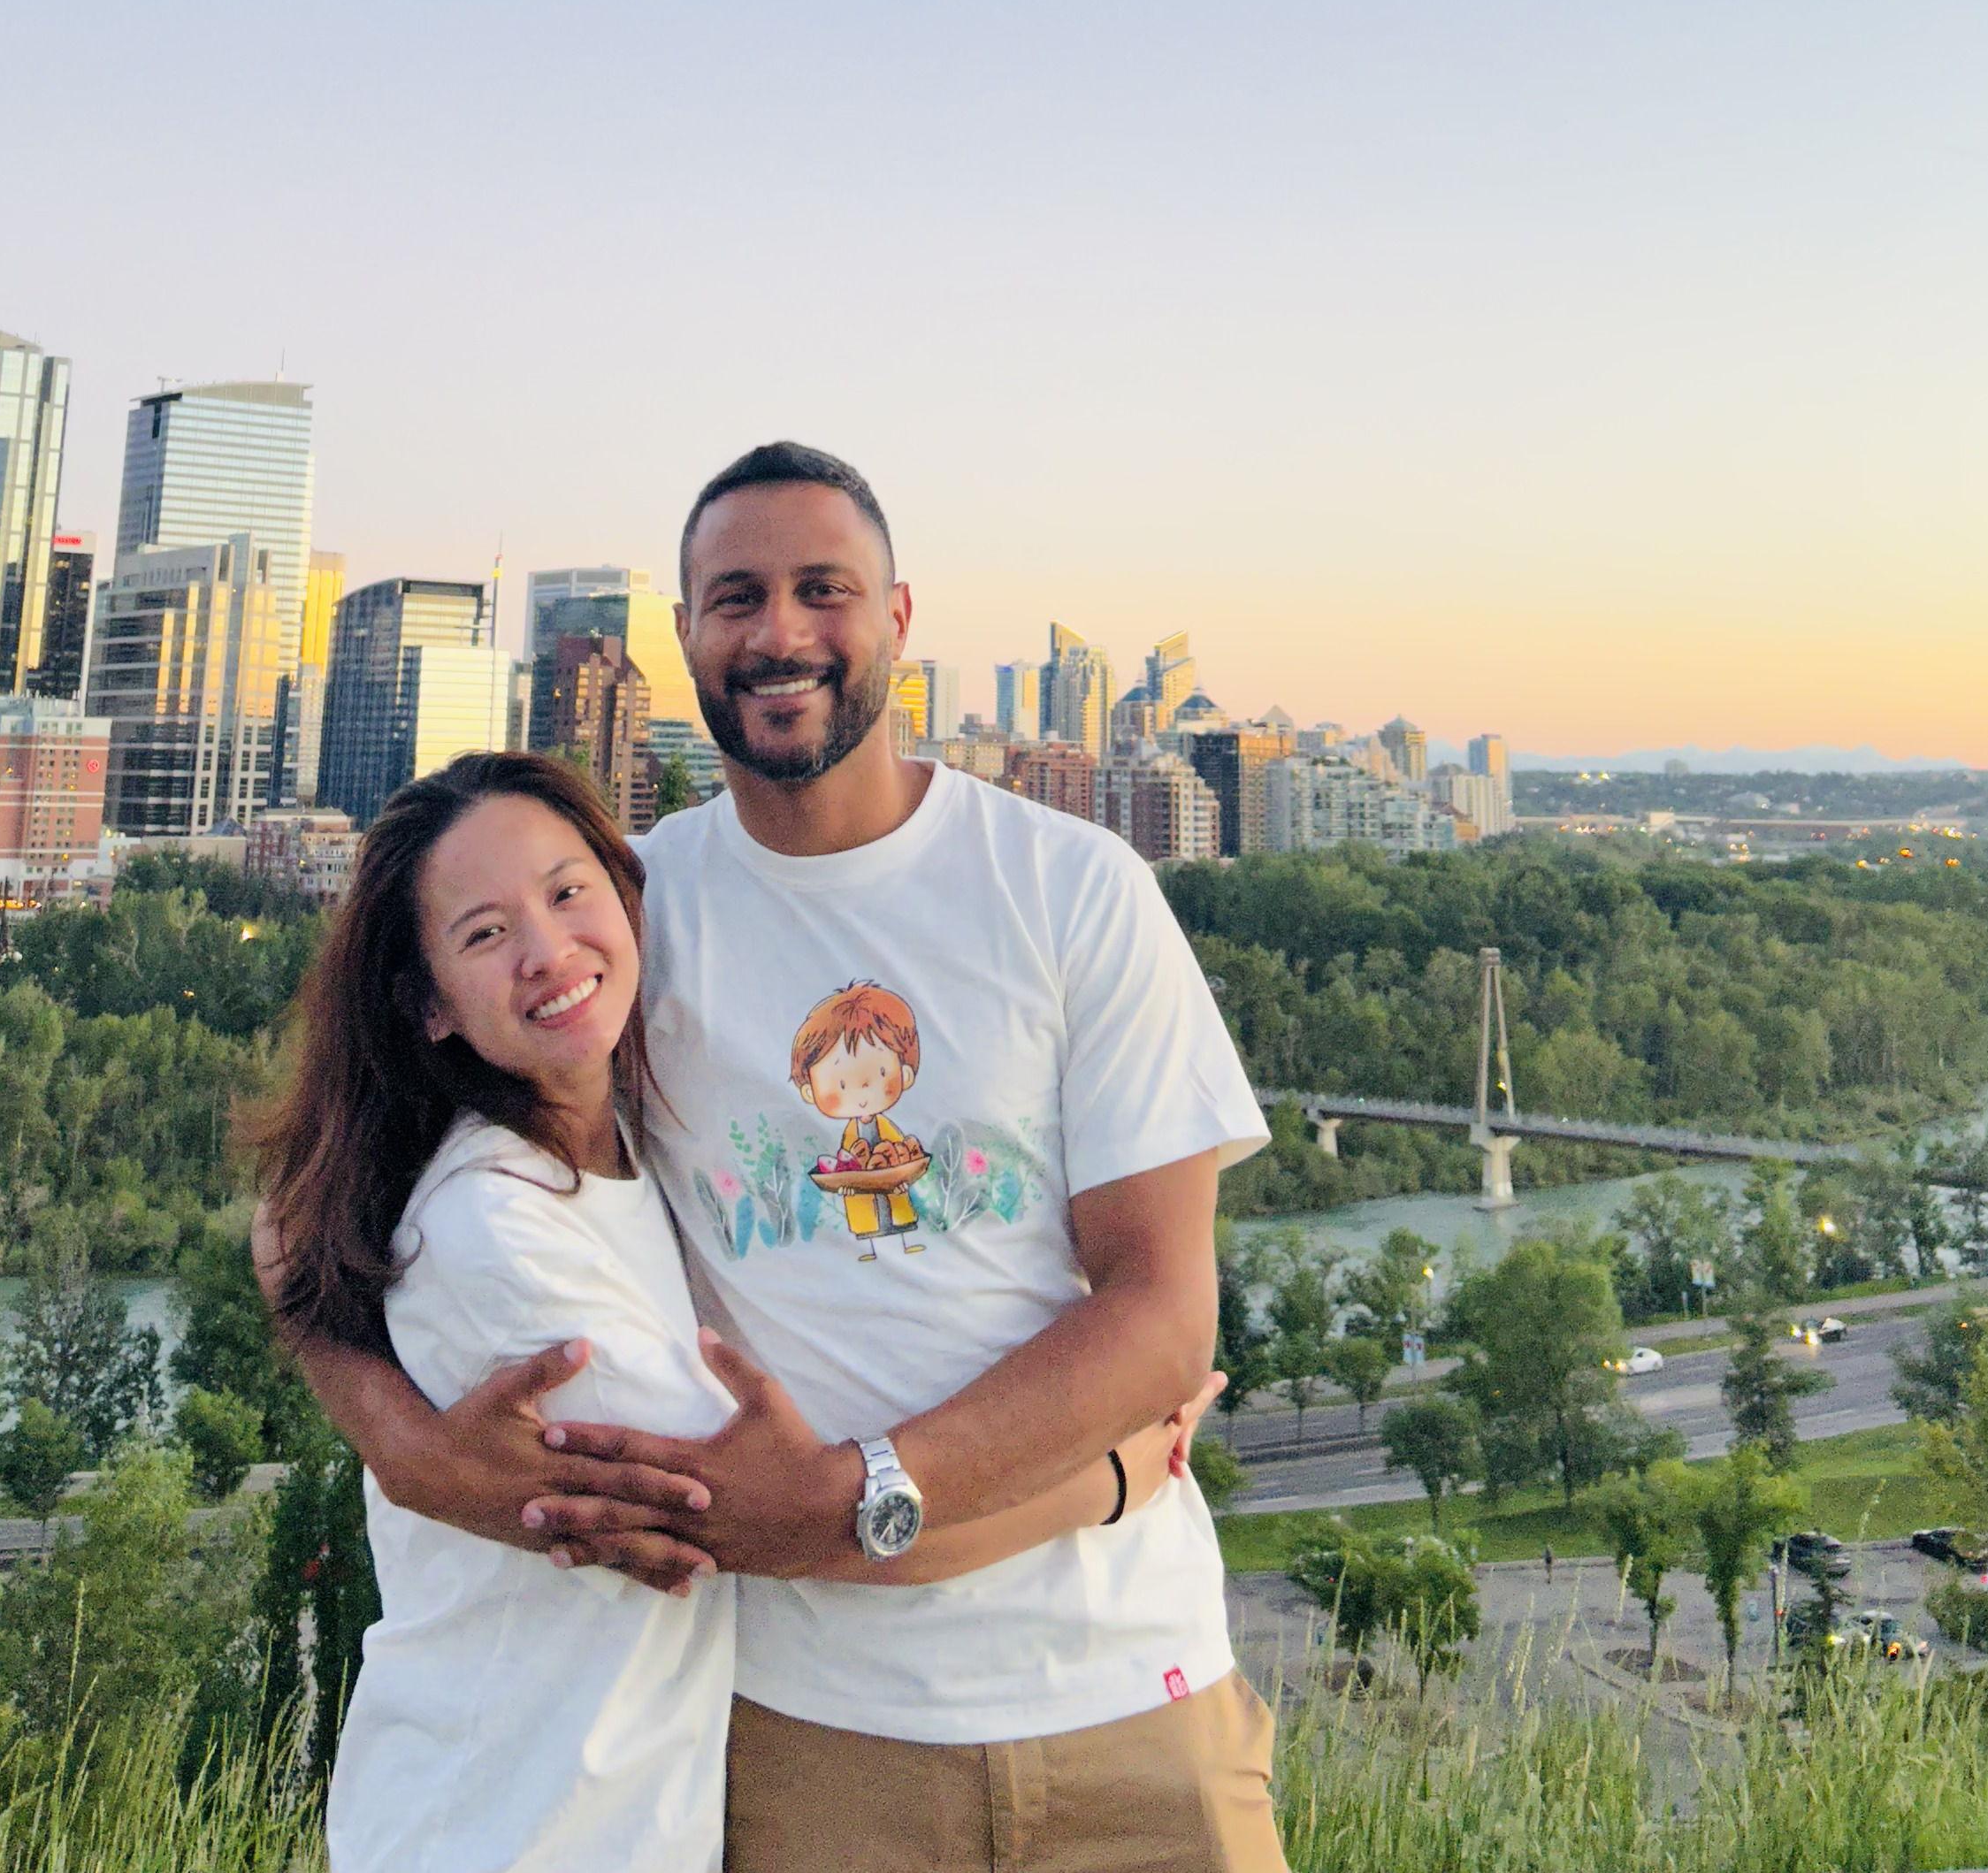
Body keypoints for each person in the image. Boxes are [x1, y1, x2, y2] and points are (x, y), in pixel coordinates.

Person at [280, 442, 1290, 1873]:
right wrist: (420, 1453)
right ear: (685, 634)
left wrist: (857, 1493)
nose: (779, 630)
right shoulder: (624, 918)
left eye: (824, 587)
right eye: (733, 595)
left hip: (1128, 1698)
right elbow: (313, 1208)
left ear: (898, 615)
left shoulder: (1071, 888)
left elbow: (1159, 1311)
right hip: (800, 1737)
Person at [248, 745, 1198, 1873]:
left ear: (622, 892)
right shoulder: (501, 1236)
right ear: (429, 1007)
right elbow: (766, 1519)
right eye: (485, 934)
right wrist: (1116, 1471)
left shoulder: (606, 1139)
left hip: (618, 1812)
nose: (551, 951)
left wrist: (401, 1449)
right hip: (506, 1826)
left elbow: (288, 1224)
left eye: (566, 894)